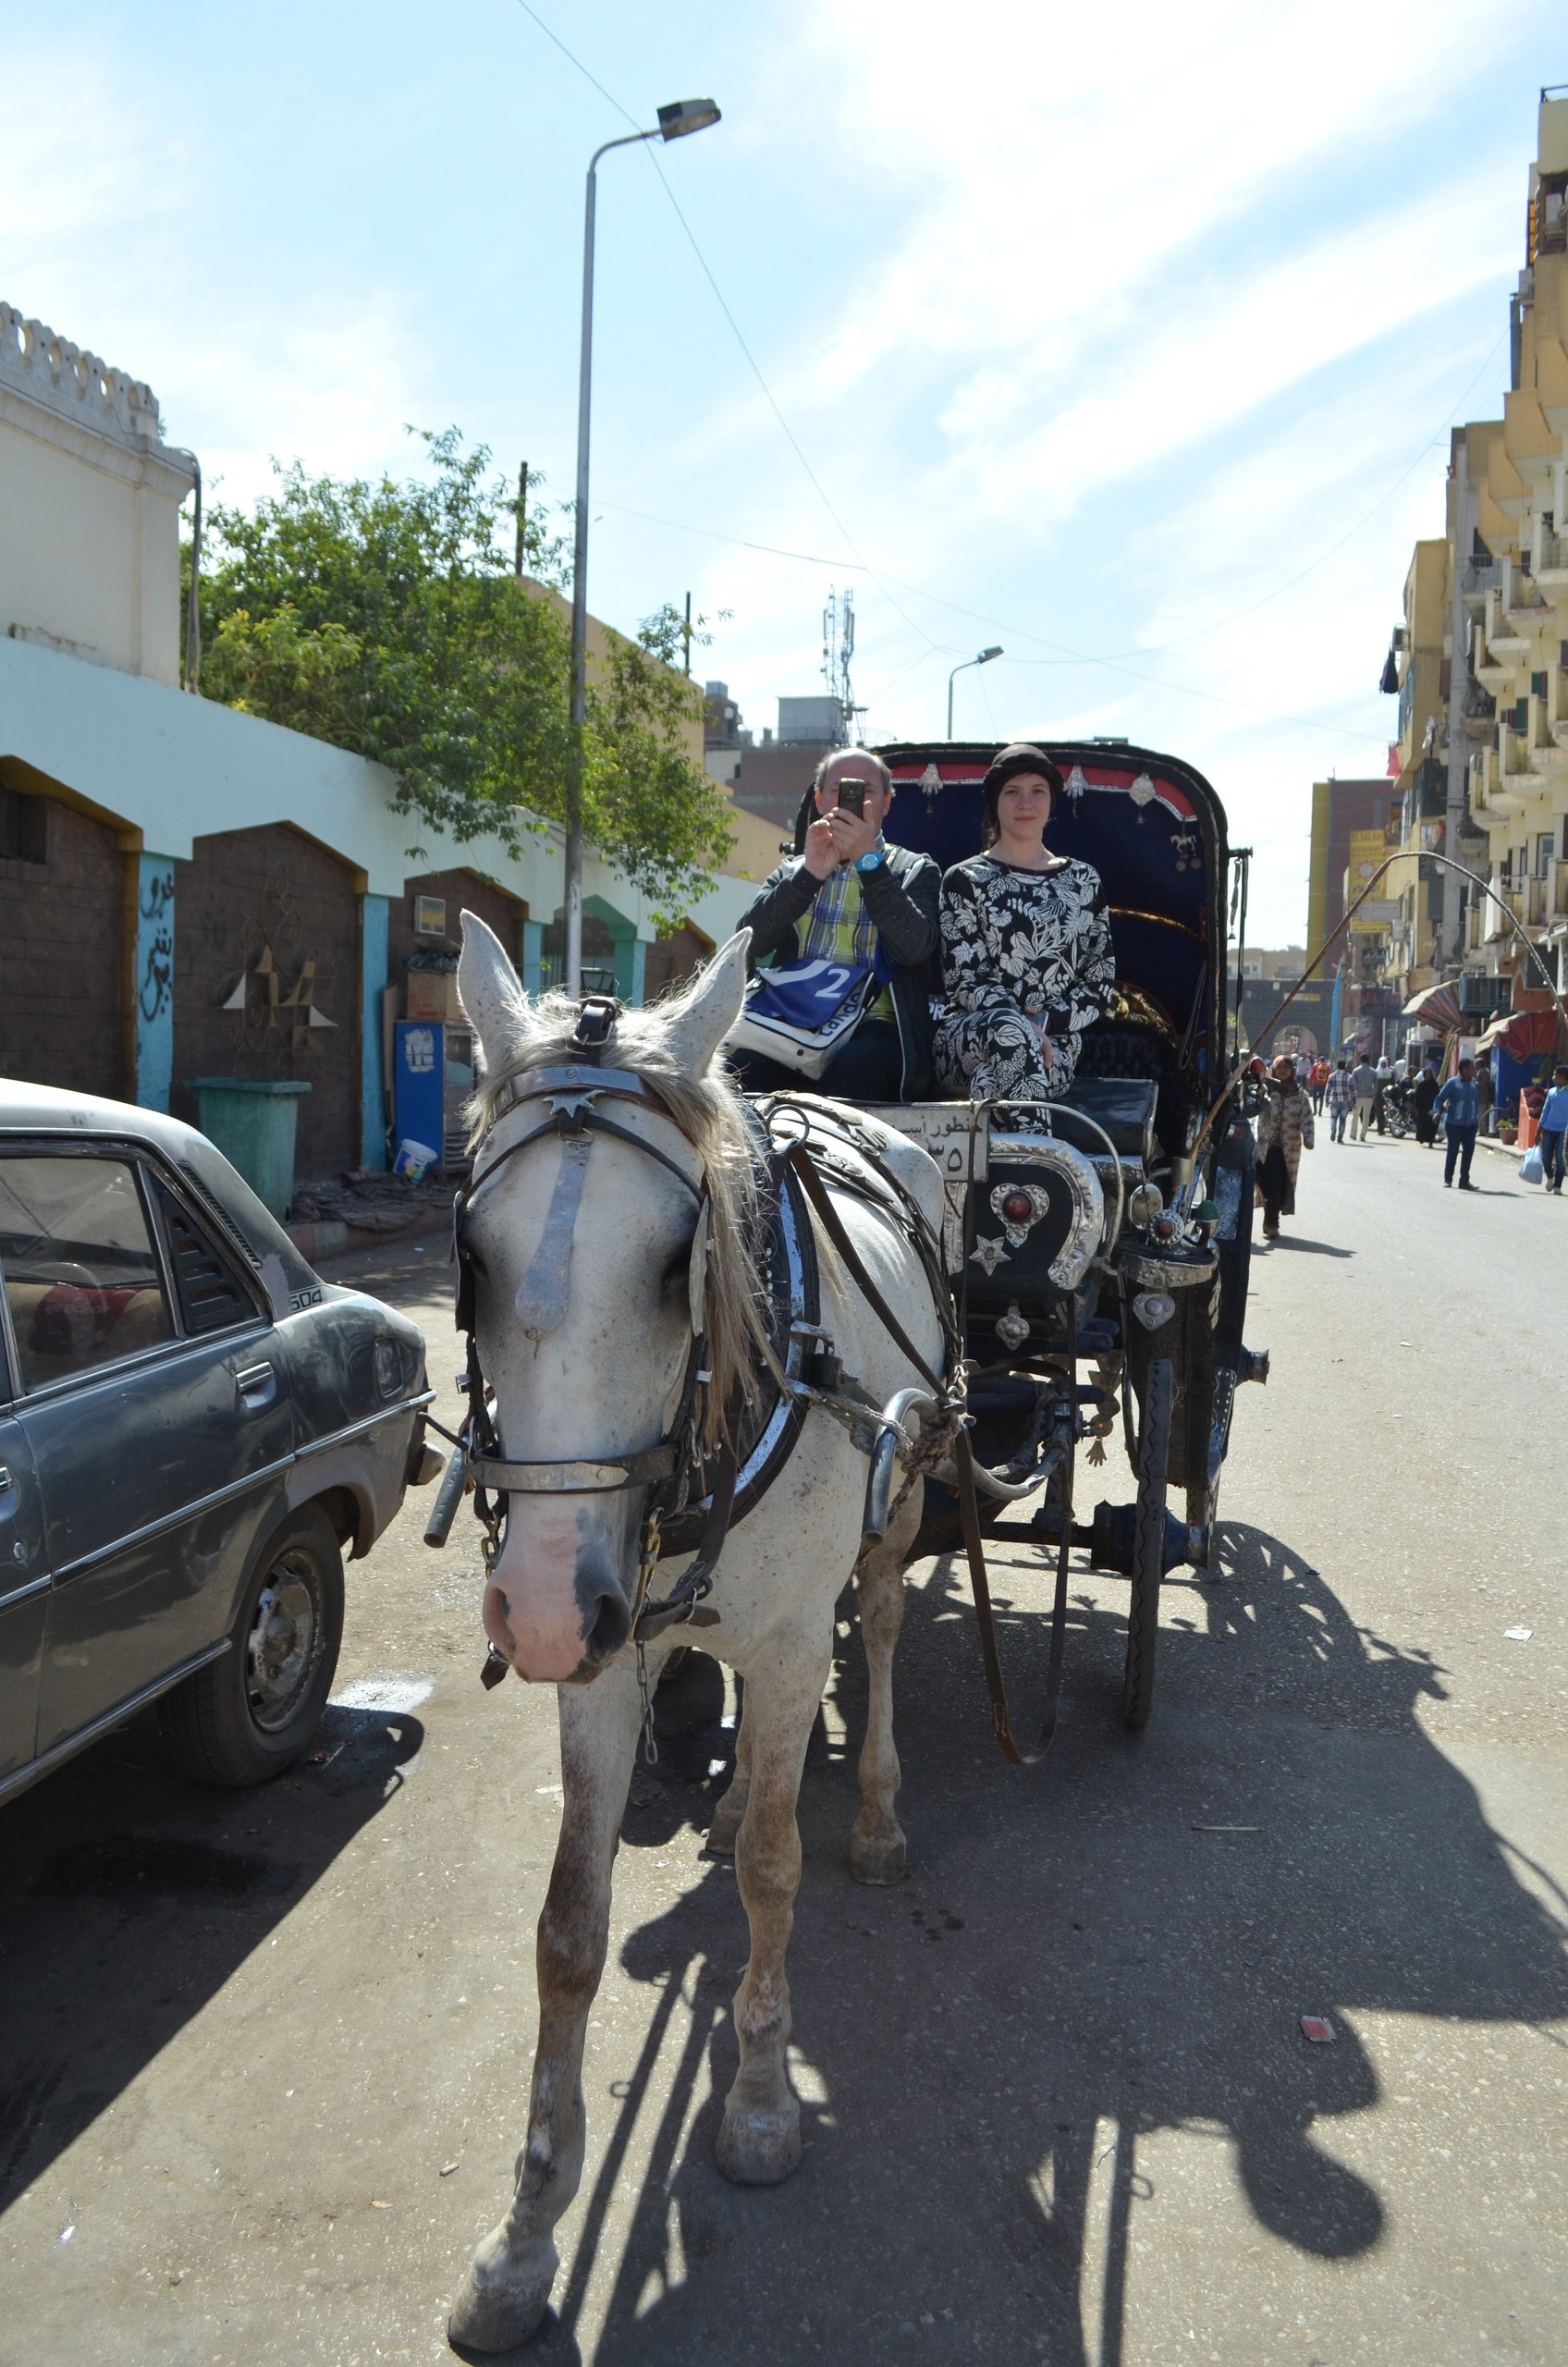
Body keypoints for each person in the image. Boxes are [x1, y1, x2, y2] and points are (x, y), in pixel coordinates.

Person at [731, 747, 941, 1098]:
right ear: (819, 798)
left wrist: (868, 863)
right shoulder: (792, 869)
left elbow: (916, 949)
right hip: (790, 1022)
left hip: (875, 1026)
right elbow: (749, 944)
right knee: (741, 1071)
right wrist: (810, 873)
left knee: (858, 1066)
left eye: (866, 791)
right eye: (839, 790)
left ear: (886, 803)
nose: (852, 800)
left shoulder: (916, 869)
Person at [934, 743, 1115, 1113]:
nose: (1025, 803)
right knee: (1007, 1033)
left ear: (1051, 801)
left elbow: (1099, 981)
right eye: (1012, 792)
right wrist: (1018, 1025)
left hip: (1055, 1045)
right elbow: (965, 978)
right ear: (995, 801)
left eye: (1037, 791)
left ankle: (1006, 1171)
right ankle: (1037, 1170)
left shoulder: (1084, 881)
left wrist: (1046, 1023)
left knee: (990, 1080)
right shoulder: (964, 879)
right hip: (971, 1035)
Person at [1255, 1051, 1315, 1239]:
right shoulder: (1266, 1089)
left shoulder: (1299, 1094)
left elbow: (1307, 1117)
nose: (1282, 1071)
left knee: (1282, 1185)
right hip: (1267, 1145)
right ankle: (1272, 1222)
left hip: (1289, 1148)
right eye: (1279, 1067)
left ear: (1291, 1070)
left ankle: (1271, 1219)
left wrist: (1309, 1138)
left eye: (1286, 1068)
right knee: (1271, 1183)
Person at [1434, 1057, 1480, 1189]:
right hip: (1454, 1124)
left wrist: (1476, 1118)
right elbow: (1440, 1098)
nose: (1473, 1070)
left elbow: (1475, 1103)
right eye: (1471, 1068)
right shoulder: (1453, 1083)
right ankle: (1448, 1179)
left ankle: (1464, 1181)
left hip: (1470, 1125)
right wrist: (1436, 1112)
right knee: (1453, 1151)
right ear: (1464, 1069)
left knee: (1468, 1152)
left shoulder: (1473, 1084)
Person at [1537, 1062, 1568, 1194]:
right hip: (1549, 1129)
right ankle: (1550, 1176)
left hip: (1563, 1131)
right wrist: (1539, 1129)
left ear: (1562, 1077)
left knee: (1560, 1159)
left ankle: (1557, 1186)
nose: (1554, 1077)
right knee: (1546, 1157)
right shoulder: (1551, 1092)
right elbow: (1545, 1111)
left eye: (1556, 1075)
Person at [1348, 1052, 1378, 1141]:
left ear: (1360, 1060)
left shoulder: (1356, 1071)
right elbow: (1376, 1084)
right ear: (1368, 1060)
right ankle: (1362, 1135)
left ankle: (1353, 1134)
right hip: (1369, 1095)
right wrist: (1373, 1093)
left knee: (1355, 1115)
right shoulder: (1373, 1071)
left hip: (1358, 1095)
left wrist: (1352, 1096)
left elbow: (1352, 1084)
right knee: (1366, 1116)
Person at [1412, 1058, 1439, 1147]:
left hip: (1432, 1108)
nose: (1428, 1076)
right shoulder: (1421, 1085)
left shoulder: (1435, 1085)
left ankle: (1431, 1141)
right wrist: (1416, 1107)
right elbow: (1417, 1096)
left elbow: (1438, 1096)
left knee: (1432, 1125)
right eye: (1426, 1075)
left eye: (1429, 1075)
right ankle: (1422, 1138)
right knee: (1422, 1124)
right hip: (1423, 1108)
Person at [1325, 1058, 1355, 1142]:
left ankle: (1333, 1128)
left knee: (1333, 1117)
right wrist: (1354, 1101)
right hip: (1345, 1102)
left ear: (1337, 1066)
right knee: (1342, 1120)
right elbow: (1352, 1090)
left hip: (1334, 1101)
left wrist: (1326, 1100)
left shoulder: (1332, 1076)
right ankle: (1340, 1137)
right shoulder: (1349, 1077)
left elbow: (1328, 1089)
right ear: (1344, 1066)